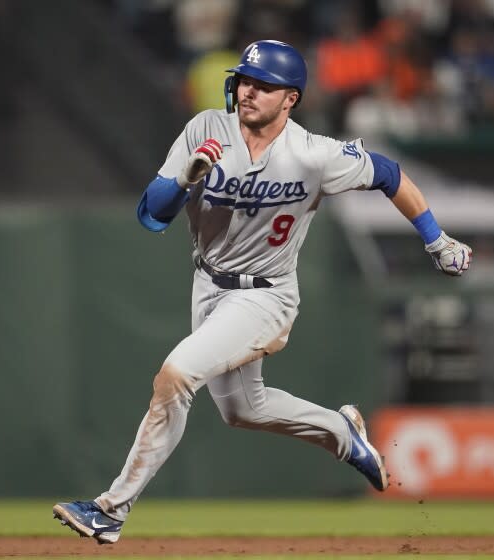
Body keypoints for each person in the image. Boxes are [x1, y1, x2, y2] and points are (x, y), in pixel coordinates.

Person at [52, 39, 472, 545]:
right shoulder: (206, 128)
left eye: (264, 85)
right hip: (207, 284)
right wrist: (185, 178)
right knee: (242, 410)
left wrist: (436, 238)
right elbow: (151, 215)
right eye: (245, 80)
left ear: (290, 98)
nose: (248, 91)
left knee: (176, 376)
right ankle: (343, 434)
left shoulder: (313, 154)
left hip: (266, 295)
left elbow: (389, 175)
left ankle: (110, 510)